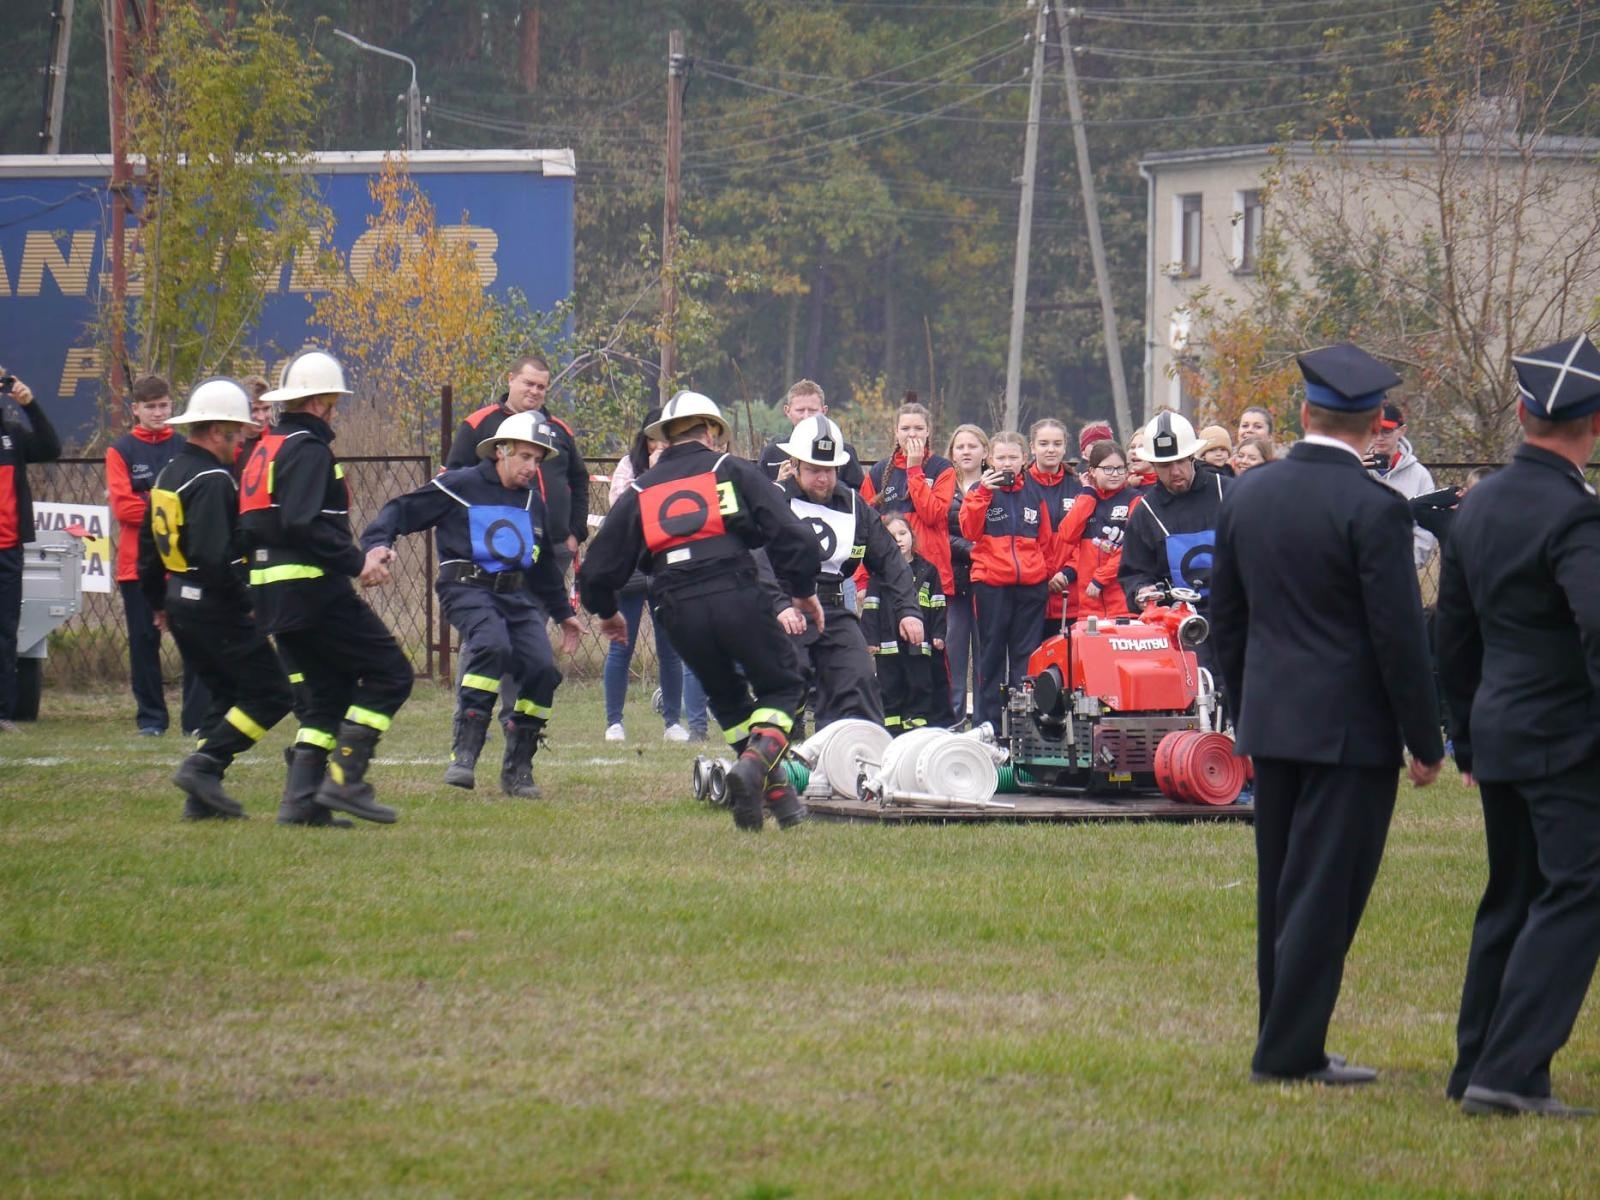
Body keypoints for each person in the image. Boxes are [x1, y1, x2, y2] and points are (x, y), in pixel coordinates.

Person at [1211, 341, 1443, 1087]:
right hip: (1350, 730)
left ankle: (1282, 1032)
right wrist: (1425, 737)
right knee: (1325, 893)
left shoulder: (1249, 494)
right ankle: (1289, 1051)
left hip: (1274, 720)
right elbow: (1398, 635)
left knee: (1282, 887)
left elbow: (1227, 622)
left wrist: (1246, 710)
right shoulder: (1375, 507)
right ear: (1375, 425)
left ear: (1304, 412)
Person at [1436, 334, 1600, 1119]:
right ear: (1594, 425)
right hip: (1564, 735)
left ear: (1524, 413)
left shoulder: (1482, 503)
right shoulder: (1576, 516)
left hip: (1499, 727)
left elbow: (1454, 633)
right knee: (1579, 890)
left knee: (1512, 895)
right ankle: (1511, 1070)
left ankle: (1476, 1062)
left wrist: (1466, 734)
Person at [578, 392, 823, 832]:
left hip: (676, 608)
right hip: (735, 593)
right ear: (711, 432)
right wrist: (803, 591)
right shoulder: (729, 469)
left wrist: (607, 612)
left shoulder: (640, 490)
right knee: (785, 684)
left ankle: (775, 798)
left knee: (727, 698)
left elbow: (596, 568)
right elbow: (796, 537)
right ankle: (754, 765)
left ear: (665, 438)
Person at [361, 411, 582, 798]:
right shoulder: (459, 485)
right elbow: (400, 509)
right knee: (492, 645)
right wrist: (378, 544)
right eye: (525, 457)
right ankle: (465, 751)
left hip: (515, 596)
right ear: (501, 451)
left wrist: (565, 615)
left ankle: (519, 767)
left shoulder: (533, 501)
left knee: (542, 669)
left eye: (537, 460)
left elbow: (544, 564)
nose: (532, 468)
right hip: (465, 589)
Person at [240, 349, 415, 825]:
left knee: (325, 694)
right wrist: (359, 562)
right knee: (391, 674)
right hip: (311, 590)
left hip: (273, 593)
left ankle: (301, 802)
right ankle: (345, 779)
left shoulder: (267, 447)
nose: (335, 412)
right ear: (318, 402)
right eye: (334, 403)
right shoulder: (308, 449)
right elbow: (304, 523)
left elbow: (261, 526)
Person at [136, 379, 296, 822]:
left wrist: (159, 602)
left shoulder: (170, 473)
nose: (241, 441)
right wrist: (248, 600)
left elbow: (148, 550)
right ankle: (204, 766)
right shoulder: (212, 479)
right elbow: (214, 557)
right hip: (214, 607)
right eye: (236, 432)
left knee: (224, 696)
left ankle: (202, 799)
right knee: (273, 694)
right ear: (216, 430)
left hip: (180, 601)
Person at [776, 414, 921, 731]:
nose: (823, 479)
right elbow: (756, 560)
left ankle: (850, 749)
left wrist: (909, 611)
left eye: (829, 470)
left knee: (859, 678)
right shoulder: (775, 500)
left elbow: (890, 560)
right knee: (789, 680)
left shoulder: (854, 506)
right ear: (795, 465)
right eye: (814, 469)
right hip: (785, 607)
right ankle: (779, 746)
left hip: (833, 609)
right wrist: (779, 606)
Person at [106, 375, 207, 736]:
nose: (158, 412)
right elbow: (124, 509)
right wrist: (168, 507)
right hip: (136, 566)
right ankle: (151, 720)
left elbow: (197, 502)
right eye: (150, 406)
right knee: (144, 644)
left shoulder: (185, 446)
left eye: (163, 405)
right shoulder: (121, 450)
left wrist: (149, 501)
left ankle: (195, 722)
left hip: (182, 564)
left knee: (195, 642)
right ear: (135, 409)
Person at [602, 408, 704, 743]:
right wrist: (655, 475)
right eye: (655, 438)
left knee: (670, 649)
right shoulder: (627, 467)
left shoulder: (685, 469)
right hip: (631, 566)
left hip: (667, 566)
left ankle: (672, 721)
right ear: (645, 439)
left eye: (667, 437)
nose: (660, 444)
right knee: (621, 645)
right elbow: (622, 510)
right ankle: (614, 722)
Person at [959, 430, 1068, 731]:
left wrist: (1044, 572)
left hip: (1031, 587)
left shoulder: (1034, 492)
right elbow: (969, 531)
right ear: (990, 459)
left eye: (1013, 457)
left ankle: (1023, 728)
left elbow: (1046, 541)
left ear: (1024, 458)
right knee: (991, 657)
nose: (1007, 463)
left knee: (1026, 658)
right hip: (991, 584)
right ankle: (989, 727)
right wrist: (983, 492)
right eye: (1001, 457)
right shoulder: (979, 490)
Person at [444, 355, 589, 577]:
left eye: (541, 387)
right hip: (498, 546)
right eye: (528, 383)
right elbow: (454, 483)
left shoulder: (559, 430)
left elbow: (579, 481)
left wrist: (576, 533)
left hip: (554, 547)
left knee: (544, 600)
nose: (534, 391)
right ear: (511, 379)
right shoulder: (479, 424)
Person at [1119, 411, 1229, 642]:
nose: (1175, 471)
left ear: (1192, 457)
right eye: (1165, 465)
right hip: (1181, 630)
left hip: (1235, 620)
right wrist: (1142, 590)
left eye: (1180, 462)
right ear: (1153, 465)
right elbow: (1134, 572)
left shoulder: (1228, 492)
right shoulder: (1145, 512)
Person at [0, 369, 61, 732]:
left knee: (6, 632)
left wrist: (31, 405)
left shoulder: (12, 434)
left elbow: (51, 449)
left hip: (7, 551)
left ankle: (2, 714)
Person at [861, 400, 956, 601]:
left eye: (919, 428)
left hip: (931, 573)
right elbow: (864, 527)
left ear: (928, 431)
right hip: (888, 573)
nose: (912, 434)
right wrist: (862, 580)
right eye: (905, 428)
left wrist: (914, 469)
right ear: (896, 432)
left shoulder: (942, 468)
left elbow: (932, 515)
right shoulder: (878, 472)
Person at [865, 514, 946, 731]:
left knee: (920, 684)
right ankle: (891, 730)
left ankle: (916, 726)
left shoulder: (929, 571)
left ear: (912, 536)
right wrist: (870, 639)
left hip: (919, 645)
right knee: (889, 686)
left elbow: (938, 604)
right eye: (892, 536)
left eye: (903, 533)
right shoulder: (879, 573)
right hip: (887, 645)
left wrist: (938, 634)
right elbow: (871, 606)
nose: (899, 539)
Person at [1057, 440, 1136, 620]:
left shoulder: (1134, 499)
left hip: (1124, 605)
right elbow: (1067, 535)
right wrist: (1088, 494)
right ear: (1092, 471)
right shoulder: (1085, 499)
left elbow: (1132, 548)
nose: (1114, 474)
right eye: (1107, 469)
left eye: (1120, 468)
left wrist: (1101, 578)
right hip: (1089, 606)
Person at [944, 423, 988, 724]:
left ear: (985, 451)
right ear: (952, 453)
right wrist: (971, 549)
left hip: (988, 584)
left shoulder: (996, 485)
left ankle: (986, 726)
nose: (966, 451)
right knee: (953, 658)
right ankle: (953, 726)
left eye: (972, 446)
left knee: (987, 661)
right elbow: (937, 534)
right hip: (953, 583)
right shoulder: (944, 486)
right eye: (960, 447)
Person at [1364, 400, 1437, 569]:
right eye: (1374, 430)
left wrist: (1404, 565)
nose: (1379, 437)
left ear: (1402, 431)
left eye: (1386, 431)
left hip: (1400, 569)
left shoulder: (1419, 475)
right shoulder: (1356, 469)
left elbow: (1426, 529)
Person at [756, 379, 865, 490]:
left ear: (824, 411)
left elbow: (859, 494)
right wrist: (778, 485)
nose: (806, 416)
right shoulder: (771, 453)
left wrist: (828, 485)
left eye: (812, 410)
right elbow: (757, 494)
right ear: (787, 411)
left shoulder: (844, 453)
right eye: (800, 410)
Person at [1028, 418, 1079, 641]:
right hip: (1032, 591)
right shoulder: (1020, 485)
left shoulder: (1078, 485)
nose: (1051, 449)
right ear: (1032, 447)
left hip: (1069, 592)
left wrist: (1068, 572)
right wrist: (1042, 574)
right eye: (1044, 443)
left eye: (1057, 444)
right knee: (1030, 656)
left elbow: (1086, 539)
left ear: (1065, 446)